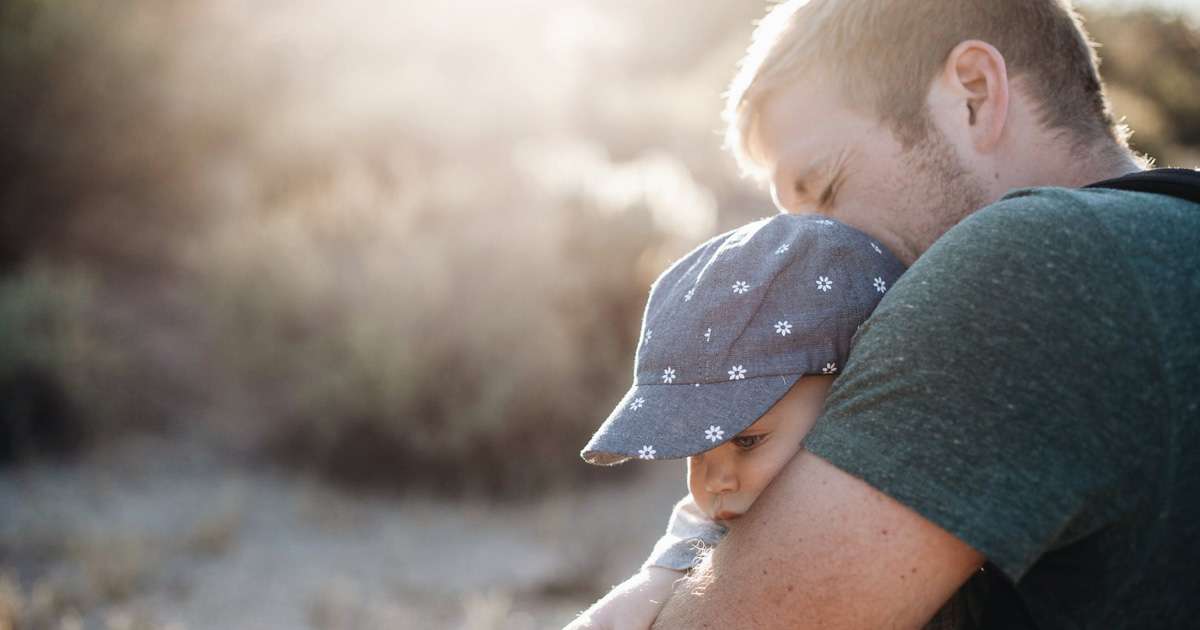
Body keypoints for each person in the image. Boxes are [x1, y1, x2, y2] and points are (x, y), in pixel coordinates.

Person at [645, 0, 1200, 628]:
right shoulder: (1171, 238)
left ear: (972, 93)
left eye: (825, 188)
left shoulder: (1021, 265)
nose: (807, 255)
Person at [566, 213, 908, 628]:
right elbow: (691, 534)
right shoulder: (724, 519)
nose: (714, 482)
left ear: (850, 391)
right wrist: (651, 586)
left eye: (747, 441)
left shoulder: (905, 507)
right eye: (694, 452)